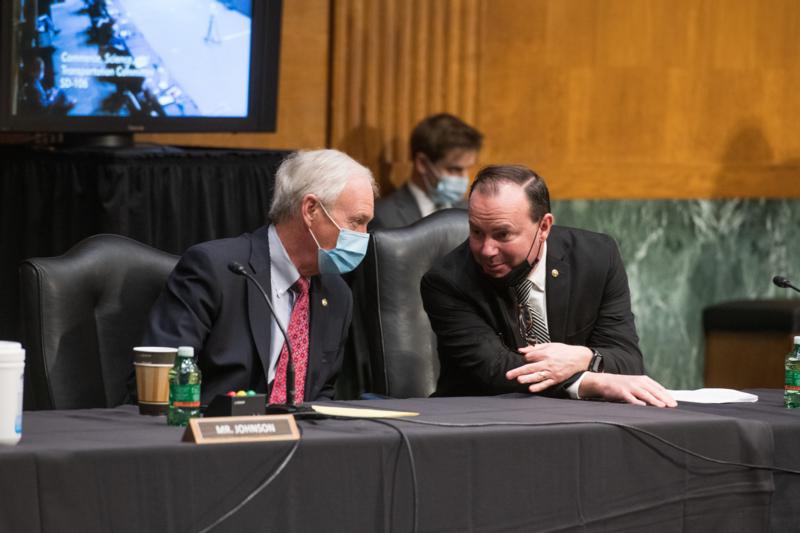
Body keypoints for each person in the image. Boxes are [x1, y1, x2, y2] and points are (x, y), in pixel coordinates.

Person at [421, 164, 676, 407]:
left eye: (502, 235)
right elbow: (497, 370)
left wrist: (583, 357)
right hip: (478, 422)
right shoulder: (447, 281)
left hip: (582, 424)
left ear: (544, 227)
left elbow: (628, 361)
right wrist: (592, 381)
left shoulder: (596, 259)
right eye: (476, 232)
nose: (486, 250)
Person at [142, 149, 377, 404]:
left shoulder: (337, 294)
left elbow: (320, 395)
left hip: (300, 440)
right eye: (356, 222)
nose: (364, 235)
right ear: (311, 210)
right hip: (212, 436)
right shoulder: (216, 270)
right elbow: (160, 385)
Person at [369, 113, 483, 230]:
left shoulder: (471, 211)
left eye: (467, 169)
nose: (465, 178)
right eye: (454, 169)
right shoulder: (383, 216)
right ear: (422, 163)